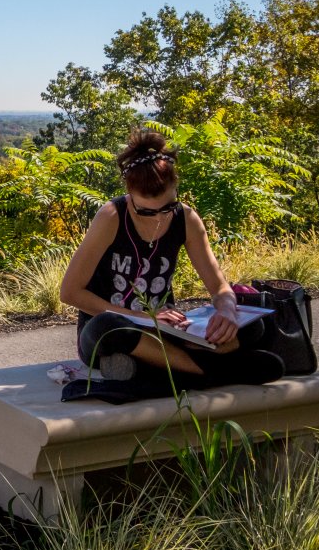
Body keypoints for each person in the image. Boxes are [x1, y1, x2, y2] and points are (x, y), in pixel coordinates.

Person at [59, 130, 283, 388]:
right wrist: (146, 318)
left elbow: (219, 286)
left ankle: (160, 370)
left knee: (257, 324)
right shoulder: (111, 216)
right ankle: (213, 372)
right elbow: (70, 293)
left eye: (166, 207)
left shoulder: (186, 218)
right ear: (129, 192)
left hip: (165, 335)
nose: (157, 217)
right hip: (116, 333)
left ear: (176, 186)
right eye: (145, 210)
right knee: (108, 327)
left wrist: (227, 311)